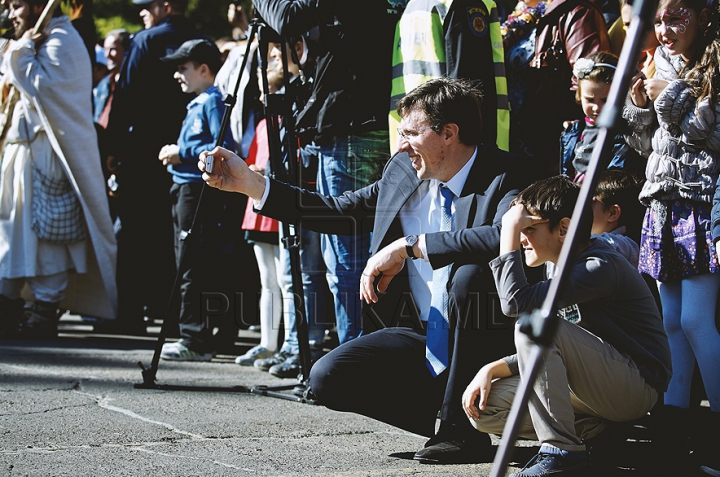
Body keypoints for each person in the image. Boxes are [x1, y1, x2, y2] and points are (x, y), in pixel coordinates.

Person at [200, 77, 528, 464]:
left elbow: (501, 235)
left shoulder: (507, 173)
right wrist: (252, 185)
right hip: (422, 332)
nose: (401, 143)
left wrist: (411, 247)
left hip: (486, 338)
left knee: (468, 276)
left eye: (410, 133)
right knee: (327, 379)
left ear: (449, 133)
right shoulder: (403, 171)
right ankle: (450, 420)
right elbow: (340, 211)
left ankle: (461, 432)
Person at [463, 176, 671, 476]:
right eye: (520, 229)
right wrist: (493, 368)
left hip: (635, 386)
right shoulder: (556, 263)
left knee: (530, 323)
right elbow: (557, 346)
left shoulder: (596, 267)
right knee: (486, 406)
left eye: (528, 228)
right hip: (592, 382)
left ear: (563, 228)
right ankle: (595, 432)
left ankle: (561, 452)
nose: (521, 237)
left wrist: (507, 229)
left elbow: (515, 304)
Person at [252, 0, 402, 345]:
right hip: (365, 126)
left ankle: (353, 366)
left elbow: (286, 18)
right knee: (351, 257)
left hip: (352, 132)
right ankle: (357, 359)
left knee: (347, 262)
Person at [625, 0, 720, 473]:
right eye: (660, 20)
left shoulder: (715, 62)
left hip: (701, 203)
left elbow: (712, 135)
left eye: (677, 16)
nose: (665, 29)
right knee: (672, 325)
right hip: (661, 203)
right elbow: (647, 147)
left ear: (705, 15)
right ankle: (673, 430)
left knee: (700, 322)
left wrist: (670, 96)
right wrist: (641, 110)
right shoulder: (660, 64)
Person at [0, 0, 117, 338]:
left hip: (49, 156)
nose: (11, 13)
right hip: (19, 155)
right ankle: (9, 303)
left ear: (39, 4)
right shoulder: (32, 40)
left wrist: (20, 52)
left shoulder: (63, 40)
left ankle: (44, 310)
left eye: (17, 5)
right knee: (12, 234)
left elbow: (44, 89)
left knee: (47, 236)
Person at [104, 0, 204, 334]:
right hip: (187, 154)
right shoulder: (199, 39)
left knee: (133, 232)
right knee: (174, 235)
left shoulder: (145, 41)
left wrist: (113, 147)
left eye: (146, 5)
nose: (141, 12)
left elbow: (125, 94)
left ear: (165, 5)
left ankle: (130, 315)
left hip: (145, 150)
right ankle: (173, 317)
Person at [152, 39, 236, 360]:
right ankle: (198, 333)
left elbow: (222, 148)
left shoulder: (212, 102)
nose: (177, 75)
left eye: (183, 68)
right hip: (185, 188)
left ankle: (194, 338)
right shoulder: (200, 102)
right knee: (189, 262)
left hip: (196, 190)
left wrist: (180, 152)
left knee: (191, 263)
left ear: (204, 69)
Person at [388, 0, 510, 152]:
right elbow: (471, 85)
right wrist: (485, 151)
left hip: (412, 137)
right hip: (450, 147)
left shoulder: (413, 6)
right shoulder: (464, 3)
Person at [509, 0, 609, 175]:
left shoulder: (577, 12)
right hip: (515, 136)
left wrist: (570, 143)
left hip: (547, 146)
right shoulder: (523, 13)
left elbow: (589, 82)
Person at [234, 63, 286, 366]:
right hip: (258, 206)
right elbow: (253, 158)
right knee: (267, 278)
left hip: (277, 205)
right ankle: (267, 342)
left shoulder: (287, 119)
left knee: (284, 279)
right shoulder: (263, 123)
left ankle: (287, 343)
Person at [559, 52, 644, 180]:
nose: (596, 108)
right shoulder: (576, 130)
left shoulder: (623, 135)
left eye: (605, 100)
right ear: (579, 96)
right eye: (589, 100)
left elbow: (615, 177)